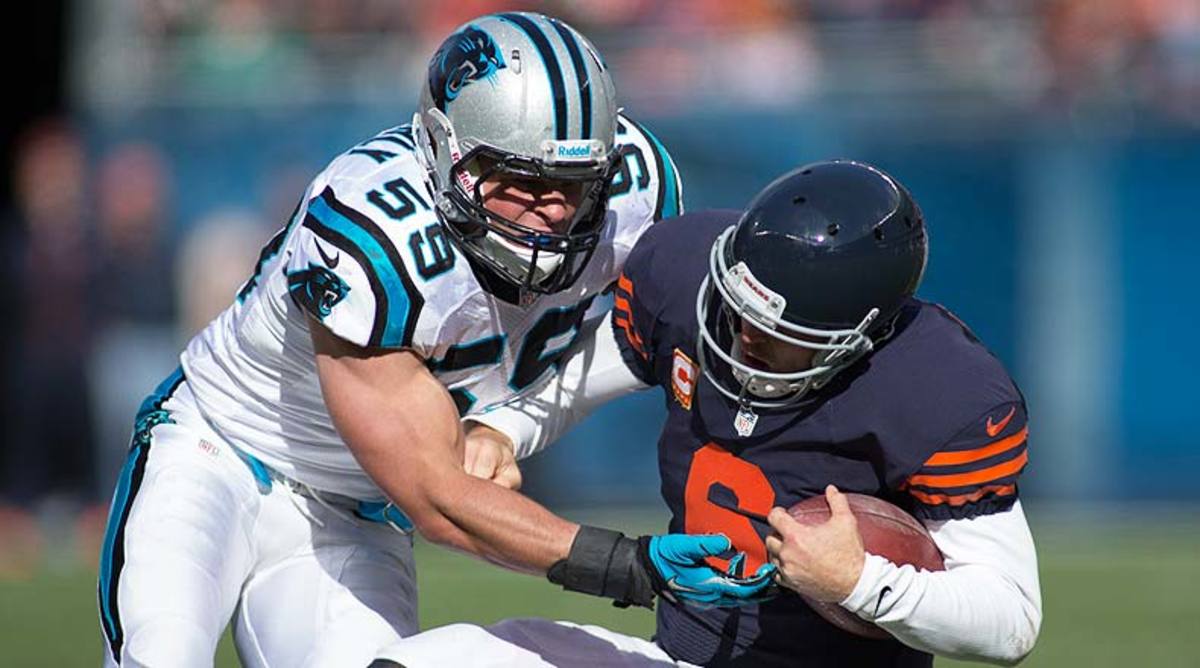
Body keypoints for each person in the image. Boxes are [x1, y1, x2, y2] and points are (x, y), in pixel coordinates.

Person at [96, 13, 774, 668]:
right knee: (162, 653)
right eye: (520, 180)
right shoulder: (373, 236)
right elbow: (439, 498)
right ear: (445, 154)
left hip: (353, 511)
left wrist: (509, 427)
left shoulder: (637, 192)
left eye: (573, 184)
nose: (556, 211)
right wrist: (626, 563)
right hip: (219, 450)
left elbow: (641, 338)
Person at [377, 160, 1042, 666]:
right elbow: (607, 359)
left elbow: (1010, 621)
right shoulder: (687, 276)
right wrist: (508, 427)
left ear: (858, 337)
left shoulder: (937, 391)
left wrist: (857, 579)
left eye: (776, 334)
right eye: (735, 309)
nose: (741, 338)